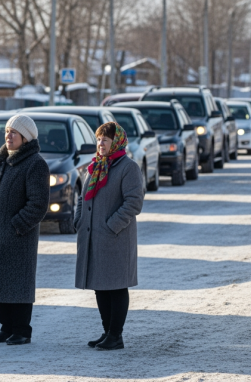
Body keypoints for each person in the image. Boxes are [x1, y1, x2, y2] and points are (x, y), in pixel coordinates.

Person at [0, 115, 50, 345]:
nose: (8, 136)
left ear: (25, 137)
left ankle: (22, 330)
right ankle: (6, 327)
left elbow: (38, 204)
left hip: (18, 237)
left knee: (18, 285)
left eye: (13, 132)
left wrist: (17, 225)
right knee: (0, 283)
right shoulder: (1, 162)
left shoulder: (35, 164)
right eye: (7, 131)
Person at [74, 122, 145, 351]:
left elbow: (134, 202)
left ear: (117, 142)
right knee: (100, 286)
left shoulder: (128, 167)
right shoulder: (95, 166)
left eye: (105, 139)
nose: (101, 144)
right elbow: (81, 197)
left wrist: (111, 225)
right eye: (99, 139)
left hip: (115, 239)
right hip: (94, 238)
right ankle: (107, 333)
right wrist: (79, 220)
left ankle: (116, 335)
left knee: (116, 287)